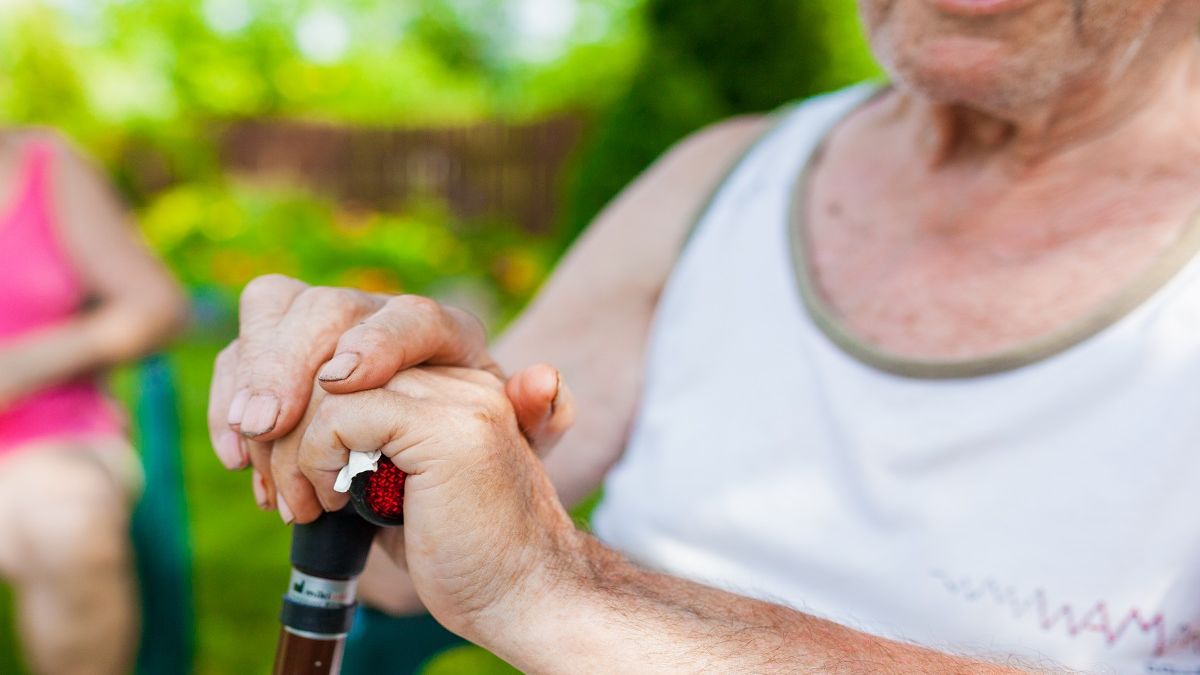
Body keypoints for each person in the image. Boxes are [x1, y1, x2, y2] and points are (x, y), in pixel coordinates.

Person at [211, 0, 1200, 671]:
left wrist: (570, 594)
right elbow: (411, 559)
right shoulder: (722, 178)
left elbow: (522, 575)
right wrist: (374, 420)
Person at [0, 131, 188, 674]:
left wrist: (17, 366)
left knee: (66, 529)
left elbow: (156, 304)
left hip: (49, 436)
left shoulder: (48, 166)